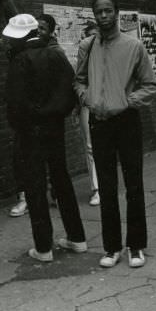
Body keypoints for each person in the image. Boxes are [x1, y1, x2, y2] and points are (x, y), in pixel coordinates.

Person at [74, 0, 156, 268]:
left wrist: (127, 102)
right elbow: (79, 81)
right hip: (99, 122)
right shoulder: (88, 46)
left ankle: (135, 246)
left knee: (134, 184)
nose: (103, 16)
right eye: (99, 12)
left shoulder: (133, 46)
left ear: (117, 13)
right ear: (94, 15)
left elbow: (151, 85)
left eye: (108, 11)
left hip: (127, 121)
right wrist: (88, 98)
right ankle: (112, 248)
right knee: (107, 187)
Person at [3, 14, 87, 261]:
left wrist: (23, 123)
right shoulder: (56, 55)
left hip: (30, 131)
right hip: (55, 127)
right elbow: (70, 90)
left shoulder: (20, 60)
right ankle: (77, 238)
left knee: (35, 186)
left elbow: (14, 102)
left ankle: (43, 247)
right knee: (62, 180)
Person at [37, 12, 100, 207]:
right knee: (89, 146)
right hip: (86, 103)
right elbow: (76, 80)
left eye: (94, 36)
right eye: (88, 36)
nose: (90, 40)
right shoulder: (80, 56)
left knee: (100, 146)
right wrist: (78, 100)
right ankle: (97, 188)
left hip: (107, 102)